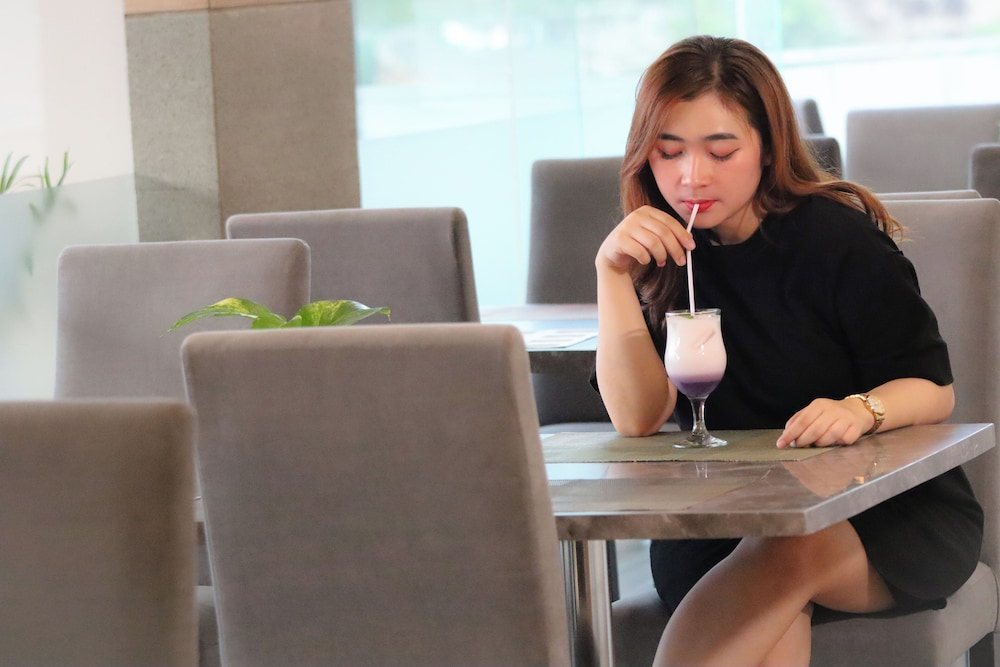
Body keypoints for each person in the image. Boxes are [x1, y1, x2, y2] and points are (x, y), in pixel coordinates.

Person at [593, 35, 984, 667]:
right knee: (771, 586)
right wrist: (611, 275)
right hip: (719, 518)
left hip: (881, 512)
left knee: (789, 547)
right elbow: (637, 419)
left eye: (721, 150)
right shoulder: (658, 251)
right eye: (669, 152)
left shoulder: (834, 239)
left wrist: (859, 410)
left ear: (768, 147)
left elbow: (933, 389)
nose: (692, 175)